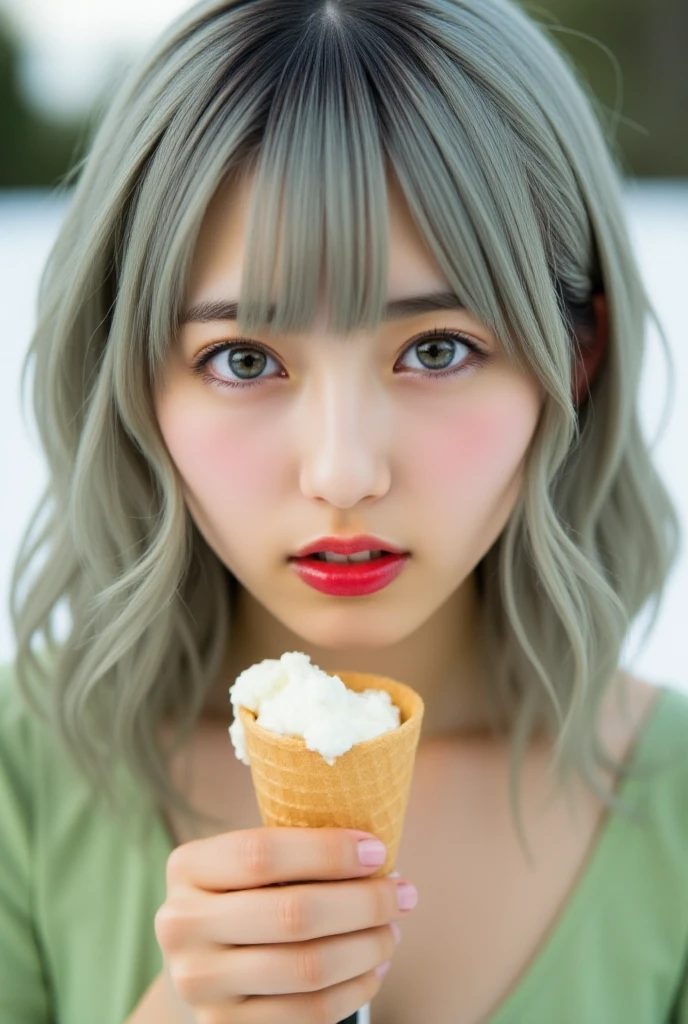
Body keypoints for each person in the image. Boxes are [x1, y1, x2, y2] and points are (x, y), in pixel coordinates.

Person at [0, 0, 685, 1021]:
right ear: (132, 380)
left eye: (437, 349)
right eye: (243, 359)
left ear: (574, 359)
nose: (342, 471)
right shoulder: (22, 778)